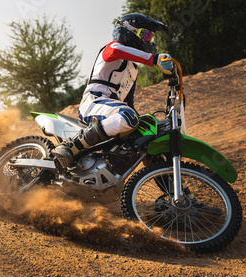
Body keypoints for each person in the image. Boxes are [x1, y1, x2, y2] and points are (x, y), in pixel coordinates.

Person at [51, 12, 174, 169]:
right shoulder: (112, 48)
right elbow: (116, 50)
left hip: (112, 109)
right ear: (128, 31)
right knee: (129, 117)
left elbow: (128, 102)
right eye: (145, 34)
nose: (147, 40)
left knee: (147, 128)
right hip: (94, 102)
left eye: (150, 36)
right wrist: (154, 59)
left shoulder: (133, 70)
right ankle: (70, 146)